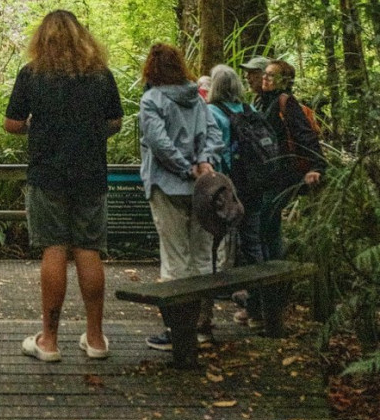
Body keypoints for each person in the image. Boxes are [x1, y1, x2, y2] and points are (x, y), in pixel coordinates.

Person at [4, 10, 123, 362]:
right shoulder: (101, 76)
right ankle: (96, 339)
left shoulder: (32, 75)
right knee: (88, 249)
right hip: (90, 174)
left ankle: (50, 341)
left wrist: (38, 130)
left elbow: (12, 123)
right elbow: (115, 121)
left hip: (48, 174)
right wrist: (88, 134)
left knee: (54, 248)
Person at [138, 43, 223, 350]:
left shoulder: (152, 100)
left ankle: (179, 332)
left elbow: (158, 143)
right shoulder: (197, 99)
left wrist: (186, 169)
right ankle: (202, 326)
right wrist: (204, 162)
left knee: (175, 259)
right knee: (202, 255)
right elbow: (214, 135)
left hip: (168, 185)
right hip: (203, 188)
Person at [207, 64, 265, 330]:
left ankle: (205, 308)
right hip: (252, 187)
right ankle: (258, 310)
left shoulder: (213, 112)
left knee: (210, 243)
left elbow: (216, 153)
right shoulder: (249, 110)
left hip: (226, 190)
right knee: (253, 245)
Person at [257, 58, 325, 261]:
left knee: (266, 221)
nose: (265, 78)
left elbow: (305, 135)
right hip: (268, 174)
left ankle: (275, 279)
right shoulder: (262, 101)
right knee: (268, 225)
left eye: (271, 75)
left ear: (284, 80)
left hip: (285, 173)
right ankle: (270, 281)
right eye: (265, 74)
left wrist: (317, 166)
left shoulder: (287, 102)